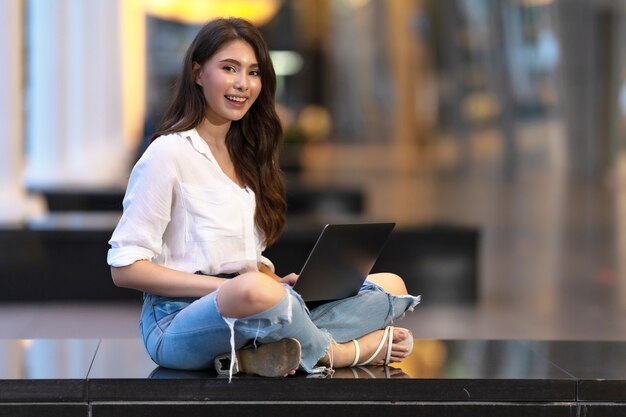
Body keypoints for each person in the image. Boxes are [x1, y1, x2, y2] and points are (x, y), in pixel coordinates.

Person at [107, 17, 420, 379]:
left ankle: (266, 352)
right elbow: (124, 269)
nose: (243, 84)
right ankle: (338, 352)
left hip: (253, 305)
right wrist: (236, 287)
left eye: (253, 72)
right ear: (197, 74)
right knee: (258, 293)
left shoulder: (247, 156)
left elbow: (242, 262)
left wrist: (272, 280)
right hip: (177, 322)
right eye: (229, 68)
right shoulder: (168, 154)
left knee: (390, 284)